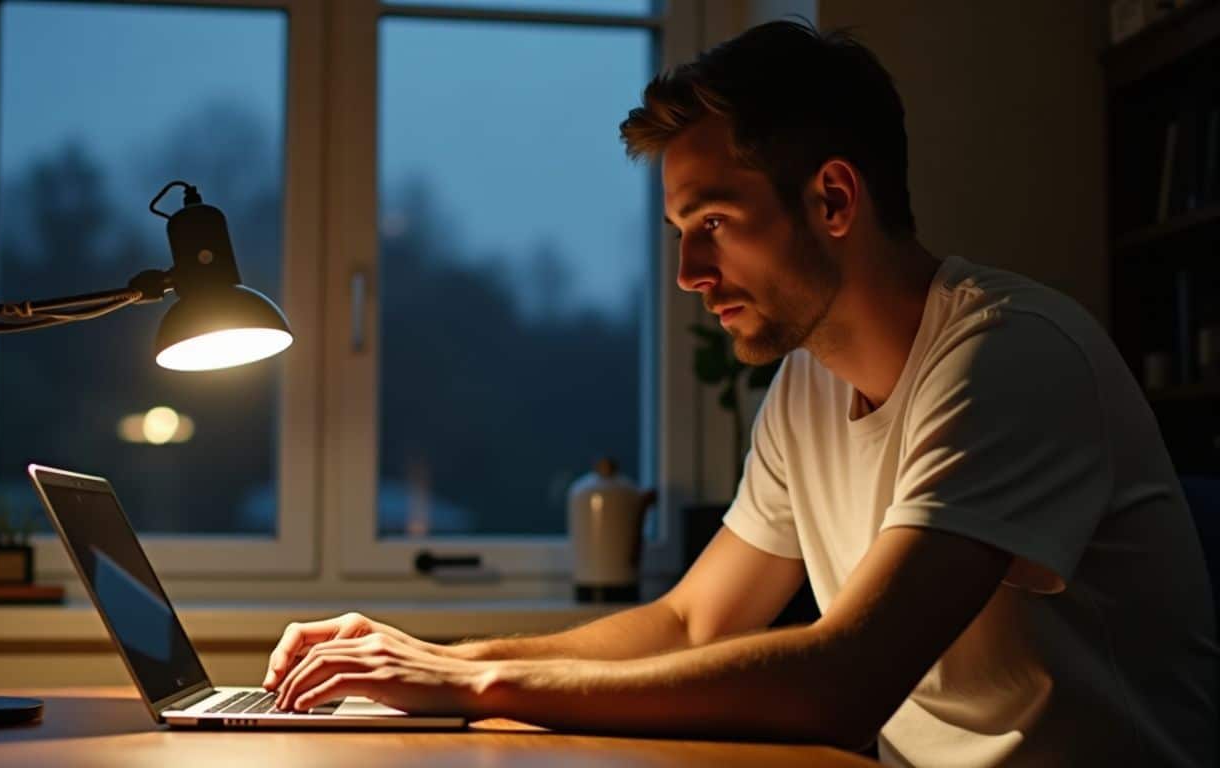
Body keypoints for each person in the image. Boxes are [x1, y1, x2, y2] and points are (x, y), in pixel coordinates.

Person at [262, 20, 1218, 766]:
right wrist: (427, 661)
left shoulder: (1010, 357)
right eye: (682, 227)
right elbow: (693, 620)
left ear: (834, 201)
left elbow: (843, 677)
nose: (688, 270)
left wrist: (475, 686)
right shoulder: (809, 384)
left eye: (714, 221)